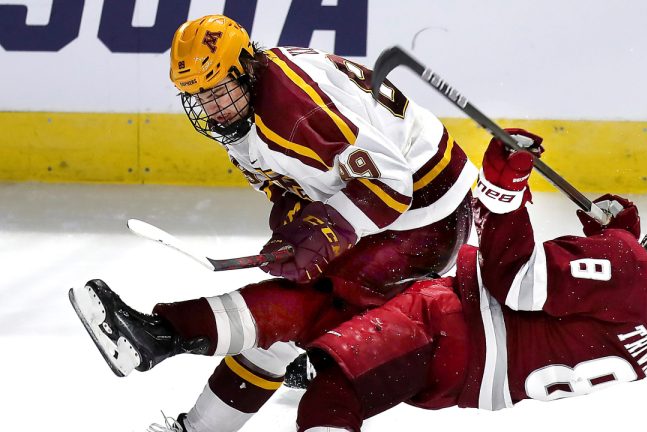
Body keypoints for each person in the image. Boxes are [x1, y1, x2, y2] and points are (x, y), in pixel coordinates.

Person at [71, 12, 477, 431]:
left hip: (429, 213)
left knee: (298, 302)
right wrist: (295, 226)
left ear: (244, 70)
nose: (210, 108)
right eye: (197, 97)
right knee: (277, 336)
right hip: (389, 206)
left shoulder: (294, 115)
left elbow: (392, 184)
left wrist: (324, 230)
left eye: (217, 92)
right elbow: (290, 184)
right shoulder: (245, 112)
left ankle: (159, 334)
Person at [286, 130, 647, 430]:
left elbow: (516, 281)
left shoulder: (629, 266)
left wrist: (504, 190)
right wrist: (616, 241)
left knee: (334, 390)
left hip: (457, 329)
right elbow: (599, 314)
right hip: (471, 383)